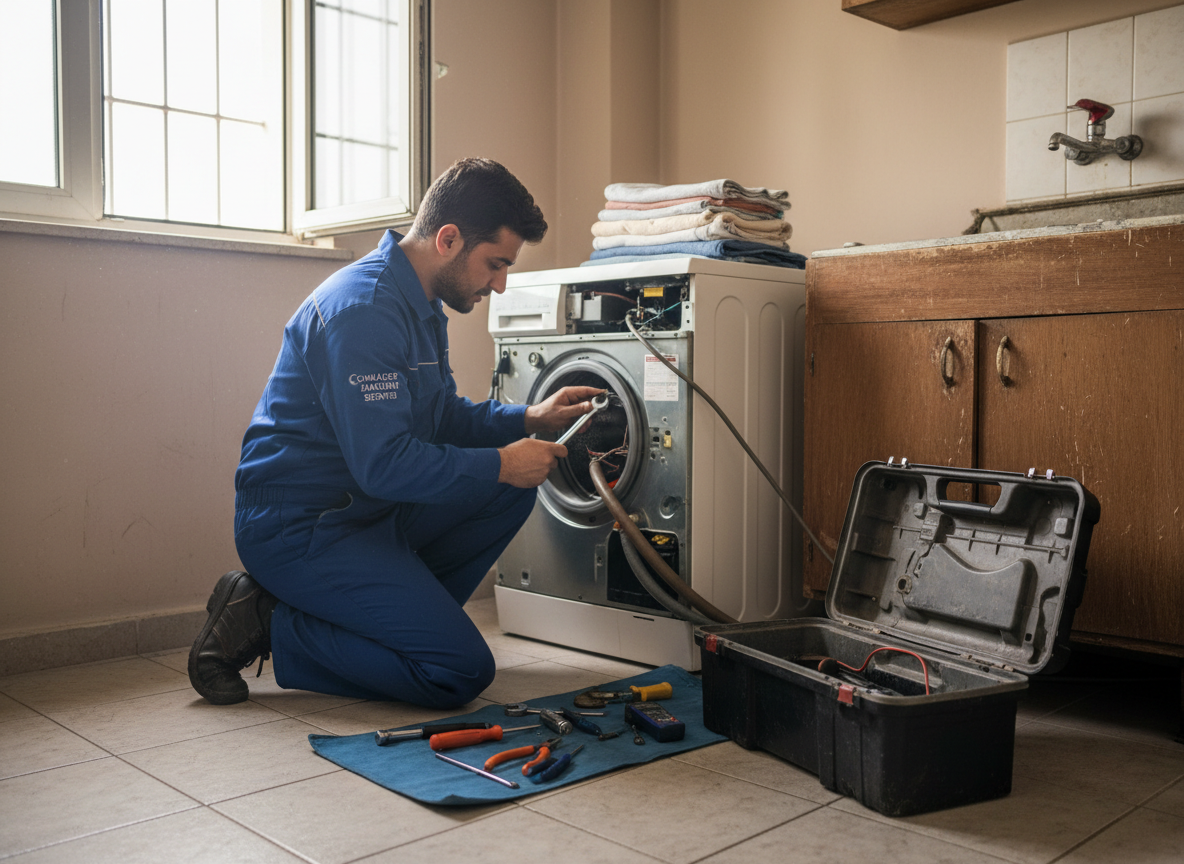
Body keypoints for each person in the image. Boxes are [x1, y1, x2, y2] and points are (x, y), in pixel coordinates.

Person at [188, 158, 601, 709]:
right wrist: (503, 461)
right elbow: (385, 463)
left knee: (508, 489)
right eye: (495, 264)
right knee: (456, 671)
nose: (500, 285)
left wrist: (528, 418)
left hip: (366, 510)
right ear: (449, 239)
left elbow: (442, 416)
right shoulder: (363, 311)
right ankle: (267, 619)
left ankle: (396, 624)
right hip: (301, 526)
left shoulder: (421, 302)